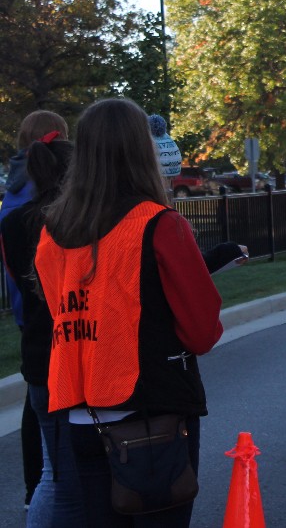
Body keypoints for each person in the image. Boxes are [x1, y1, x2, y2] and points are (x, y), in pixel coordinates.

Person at [34, 98, 232, 528]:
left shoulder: (52, 232)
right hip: (150, 414)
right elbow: (202, 332)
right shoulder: (160, 224)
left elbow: (61, 315)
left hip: (81, 416)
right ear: (143, 150)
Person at [1, 132, 86, 526]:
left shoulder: (13, 223)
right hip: (75, 352)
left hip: (38, 353)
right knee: (71, 482)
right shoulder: (77, 222)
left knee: (55, 474)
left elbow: (20, 288)